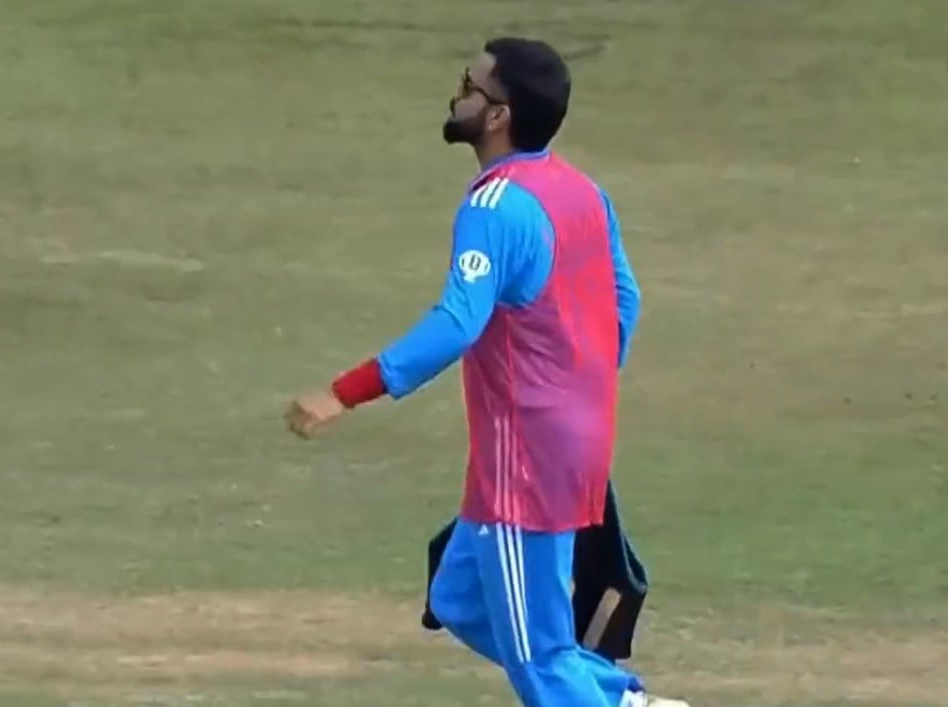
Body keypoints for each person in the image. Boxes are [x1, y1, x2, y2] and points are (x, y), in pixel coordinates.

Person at [286, 37, 689, 707]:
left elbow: (457, 322)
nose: (457, 95)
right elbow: (626, 298)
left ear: (498, 115)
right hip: (569, 445)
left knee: (539, 661)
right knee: (459, 595)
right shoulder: (582, 192)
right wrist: (583, 393)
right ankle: (622, 701)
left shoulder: (494, 208)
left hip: (525, 461)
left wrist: (345, 392)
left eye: (469, 87)